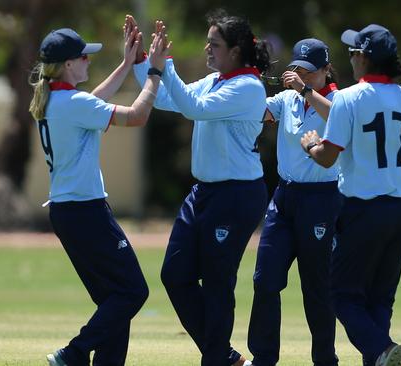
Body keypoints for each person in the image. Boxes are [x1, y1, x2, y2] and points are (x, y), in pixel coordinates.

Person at [125, 9, 270, 366]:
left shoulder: (248, 87)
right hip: (204, 193)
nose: (208, 50)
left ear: (236, 51)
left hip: (236, 195)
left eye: (214, 45)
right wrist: (141, 61)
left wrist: (165, 65)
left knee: (218, 281)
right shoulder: (216, 79)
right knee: (174, 275)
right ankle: (222, 355)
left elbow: (194, 109)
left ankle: (216, 359)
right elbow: (168, 99)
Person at [28, 23, 169, 366]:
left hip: (69, 211)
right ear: (67, 65)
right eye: (83, 57)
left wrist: (125, 65)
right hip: (85, 212)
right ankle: (74, 352)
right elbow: (136, 117)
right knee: (133, 292)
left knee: (114, 298)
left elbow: (91, 102)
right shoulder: (71, 103)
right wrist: (154, 72)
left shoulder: (55, 100)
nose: (89, 62)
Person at [300, 24, 401, 366]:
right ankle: (378, 357)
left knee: (342, 295)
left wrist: (310, 146)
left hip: (362, 209)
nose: (350, 59)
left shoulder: (347, 98)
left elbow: (328, 157)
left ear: (363, 58)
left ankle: (380, 349)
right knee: (381, 298)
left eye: (352, 53)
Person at [247, 39, 343, 366]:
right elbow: (257, 112)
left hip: (322, 199)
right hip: (284, 197)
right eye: (297, 69)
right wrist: (247, 79)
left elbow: (341, 118)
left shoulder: (338, 99)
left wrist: (306, 91)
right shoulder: (287, 98)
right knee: (265, 280)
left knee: (317, 287)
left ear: (326, 70)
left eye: (309, 71)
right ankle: (263, 358)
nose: (300, 75)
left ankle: (325, 359)